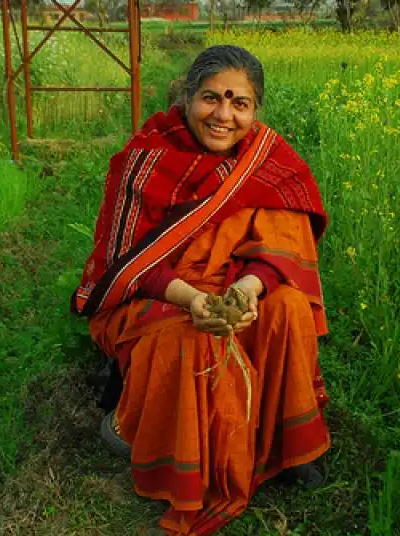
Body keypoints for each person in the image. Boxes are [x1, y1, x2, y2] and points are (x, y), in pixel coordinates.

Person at [72, 45, 331, 535]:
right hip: (156, 296)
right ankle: (145, 430)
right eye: (211, 98)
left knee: (291, 308)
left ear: (255, 110)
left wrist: (249, 291)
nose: (223, 115)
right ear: (188, 97)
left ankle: (287, 443)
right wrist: (194, 300)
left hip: (238, 287)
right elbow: (128, 262)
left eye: (240, 103)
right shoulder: (145, 160)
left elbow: (283, 245)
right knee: (195, 339)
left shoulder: (269, 162)